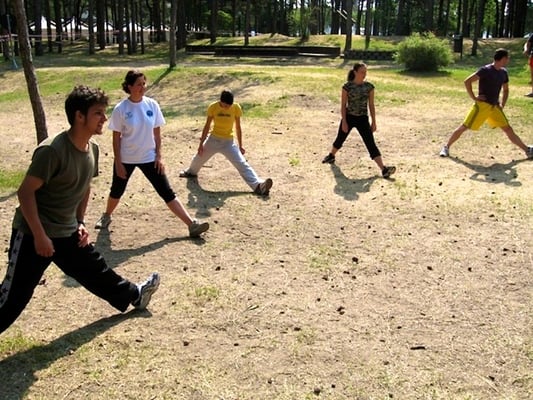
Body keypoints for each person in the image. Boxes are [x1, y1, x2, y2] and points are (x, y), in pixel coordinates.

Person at [0, 85, 160, 335]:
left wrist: (80, 221)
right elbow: (25, 193)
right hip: (33, 233)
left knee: (95, 269)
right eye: (98, 113)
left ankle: (135, 295)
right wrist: (40, 236)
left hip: (66, 230)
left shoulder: (92, 149)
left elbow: (84, 187)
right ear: (79, 116)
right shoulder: (52, 151)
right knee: (13, 298)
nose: (104, 119)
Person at [95, 70, 209, 237]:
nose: (143, 87)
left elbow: (157, 134)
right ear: (129, 86)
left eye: (144, 83)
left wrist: (158, 156)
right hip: (126, 158)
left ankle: (192, 224)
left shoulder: (152, 105)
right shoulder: (121, 109)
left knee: (166, 191)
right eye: (138, 84)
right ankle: (106, 216)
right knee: (116, 191)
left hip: (149, 157)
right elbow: (116, 139)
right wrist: (118, 162)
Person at [439, 48, 533, 159]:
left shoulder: (503, 72)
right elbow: (467, 81)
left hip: (494, 107)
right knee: (464, 127)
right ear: (502, 58)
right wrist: (474, 97)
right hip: (482, 106)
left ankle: (527, 150)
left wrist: (502, 104)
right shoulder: (486, 70)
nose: (508, 60)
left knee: (508, 129)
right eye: (507, 58)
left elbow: (506, 90)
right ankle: (446, 147)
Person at [179, 89, 273, 196]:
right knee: (198, 159)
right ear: (221, 101)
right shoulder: (213, 107)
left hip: (228, 143)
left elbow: (238, 127)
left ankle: (258, 186)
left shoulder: (236, 108)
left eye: (230, 105)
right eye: (226, 105)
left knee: (242, 163)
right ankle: (190, 172)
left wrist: (241, 146)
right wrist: (200, 145)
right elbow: (207, 126)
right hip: (213, 140)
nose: (228, 108)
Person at [321, 62, 396, 179]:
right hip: (349, 117)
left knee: (370, 143)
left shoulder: (369, 87)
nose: (364, 74)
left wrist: (374, 122)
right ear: (355, 72)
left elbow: (371, 105)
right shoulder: (347, 87)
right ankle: (331, 156)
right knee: (340, 138)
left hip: (363, 119)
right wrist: (344, 121)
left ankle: (384, 169)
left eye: (365, 72)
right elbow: (343, 105)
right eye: (362, 72)